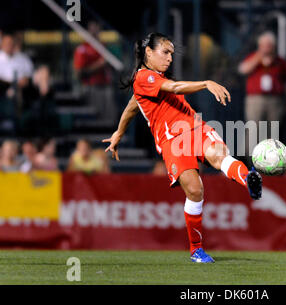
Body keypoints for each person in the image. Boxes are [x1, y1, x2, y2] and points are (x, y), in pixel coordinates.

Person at [102, 33, 263, 264]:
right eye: (165, 52)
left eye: (171, 53)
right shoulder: (144, 77)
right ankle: (196, 250)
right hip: (172, 141)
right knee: (196, 191)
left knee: (219, 155)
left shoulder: (152, 80)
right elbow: (175, 88)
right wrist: (206, 83)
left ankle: (249, 179)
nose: (169, 58)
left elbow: (131, 106)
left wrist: (118, 132)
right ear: (149, 53)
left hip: (193, 126)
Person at [238, 31, 286, 155]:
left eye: (269, 45)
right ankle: (250, 160)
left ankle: (270, 161)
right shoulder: (253, 57)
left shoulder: (280, 62)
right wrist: (258, 57)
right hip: (255, 99)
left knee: (272, 132)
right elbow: (243, 69)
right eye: (264, 45)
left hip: (275, 100)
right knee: (253, 130)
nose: (267, 48)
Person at [73, 20, 116, 127]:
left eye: (97, 29)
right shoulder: (82, 49)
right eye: (92, 29)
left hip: (105, 85)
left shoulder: (104, 47)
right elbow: (79, 73)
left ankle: (110, 129)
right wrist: (99, 65)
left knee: (110, 97)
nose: (94, 32)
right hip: (90, 86)